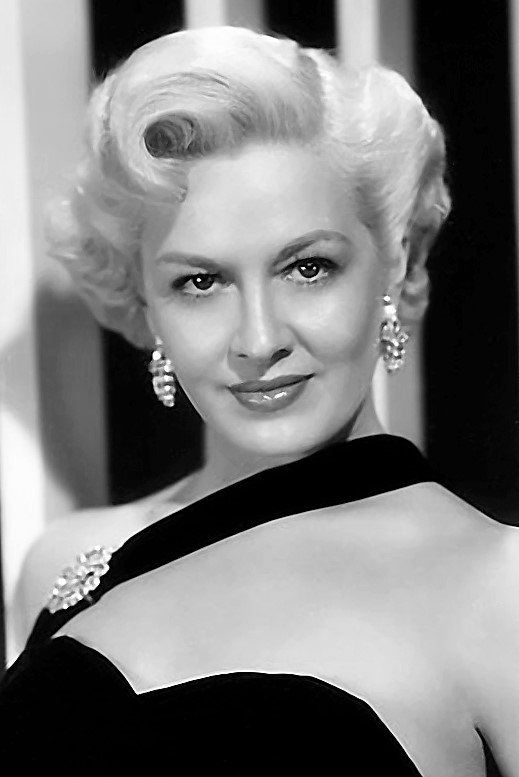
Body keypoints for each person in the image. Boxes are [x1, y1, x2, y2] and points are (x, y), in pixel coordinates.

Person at [1, 25, 517, 776]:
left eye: (307, 268)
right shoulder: (61, 562)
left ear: (395, 259)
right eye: (200, 282)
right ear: (143, 300)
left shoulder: (498, 583)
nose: (259, 338)